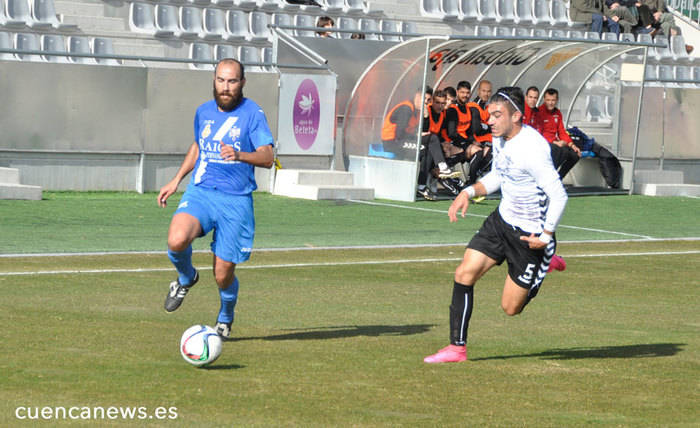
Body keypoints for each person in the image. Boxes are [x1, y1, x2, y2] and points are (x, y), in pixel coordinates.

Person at [424, 87, 568, 364]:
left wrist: (546, 235)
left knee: (511, 308)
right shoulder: (500, 137)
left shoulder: (533, 149)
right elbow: (499, 176)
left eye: (497, 115)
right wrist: (468, 191)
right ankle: (457, 348)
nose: (490, 121)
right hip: (501, 222)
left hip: (530, 236)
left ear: (517, 116)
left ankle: (545, 260)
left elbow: (559, 195)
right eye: (489, 115)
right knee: (464, 273)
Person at [158, 58, 275, 339]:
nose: (226, 87)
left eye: (232, 81)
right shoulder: (203, 111)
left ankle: (225, 318)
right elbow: (199, 145)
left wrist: (239, 154)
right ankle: (186, 278)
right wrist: (176, 179)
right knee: (176, 240)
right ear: (214, 81)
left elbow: (269, 158)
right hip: (202, 192)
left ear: (242, 83)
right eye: (221, 80)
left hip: (235, 201)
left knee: (222, 275)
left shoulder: (253, 114)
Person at [444, 81, 491, 189]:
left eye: (467, 93)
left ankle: (471, 183)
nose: (465, 95)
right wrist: (469, 142)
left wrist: (473, 141)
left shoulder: (467, 108)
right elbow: (452, 133)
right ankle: (470, 184)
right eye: (462, 92)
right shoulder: (453, 109)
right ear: (457, 92)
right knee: (478, 152)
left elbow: (470, 131)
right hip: (453, 142)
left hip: (463, 141)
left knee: (484, 150)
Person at [418, 89, 463, 200]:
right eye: (437, 103)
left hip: (431, 145)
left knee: (459, 151)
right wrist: (426, 116)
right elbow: (425, 131)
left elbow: (438, 133)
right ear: (432, 101)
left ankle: (423, 185)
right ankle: (443, 171)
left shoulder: (443, 114)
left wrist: (446, 144)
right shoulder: (426, 110)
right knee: (433, 145)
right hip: (416, 142)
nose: (440, 106)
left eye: (443, 103)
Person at [534, 88, 581, 180]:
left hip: (555, 143)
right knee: (561, 150)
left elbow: (561, 132)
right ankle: (549, 177)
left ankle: (558, 178)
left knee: (575, 155)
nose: (550, 103)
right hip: (543, 142)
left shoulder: (557, 113)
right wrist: (555, 142)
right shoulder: (539, 112)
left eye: (553, 100)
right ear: (544, 100)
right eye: (548, 100)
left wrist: (572, 145)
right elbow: (539, 133)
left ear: (557, 100)